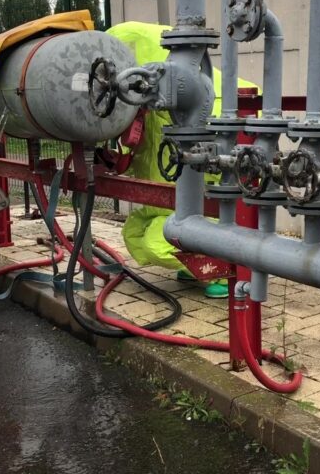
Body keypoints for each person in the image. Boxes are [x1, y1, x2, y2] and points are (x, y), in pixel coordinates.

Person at [106, 22, 258, 298]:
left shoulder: (166, 95)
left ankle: (221, 268)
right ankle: (194, 263)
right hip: (171, 192)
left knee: (155, 239)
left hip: (199, 192)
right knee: (136, 232)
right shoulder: (152, 92)